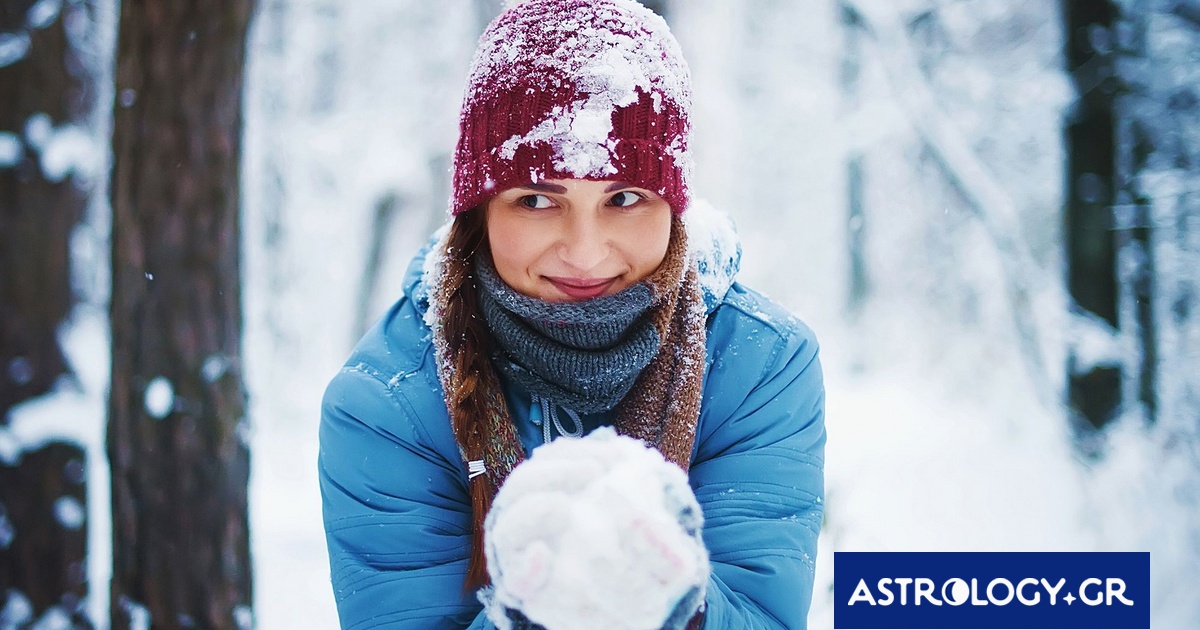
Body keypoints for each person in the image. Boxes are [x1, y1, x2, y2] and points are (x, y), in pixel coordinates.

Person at [318, 0, 826, 628]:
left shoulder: (759, 366)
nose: (585, 252)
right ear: (480, 210)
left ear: (673, 208)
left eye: (625, 198)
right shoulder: (387, 404)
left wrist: (680, 603)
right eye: (537, 199)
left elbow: (762, 613)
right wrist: (537, 604)